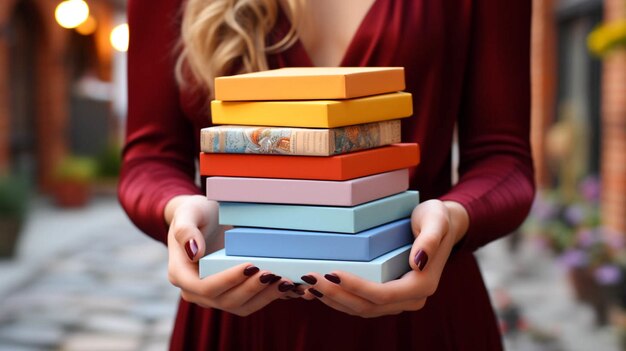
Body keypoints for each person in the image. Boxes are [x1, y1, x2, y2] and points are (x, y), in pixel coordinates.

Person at [119, 0, 535, 349]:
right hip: (241, 313)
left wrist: (453, 218)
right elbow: (149, 160)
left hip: (416, 303)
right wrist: (179, 210)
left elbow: (504, 158)